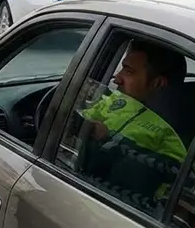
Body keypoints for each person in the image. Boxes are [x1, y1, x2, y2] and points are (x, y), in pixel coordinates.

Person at [80, 40, 188, 201]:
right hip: (83, 183)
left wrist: (109, 139)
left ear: (158, 83)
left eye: (128, 71)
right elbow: (78, 123)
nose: (116, 78)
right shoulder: (115, 100)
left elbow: (174, 179)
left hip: (116, 202)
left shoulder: (179, 132)